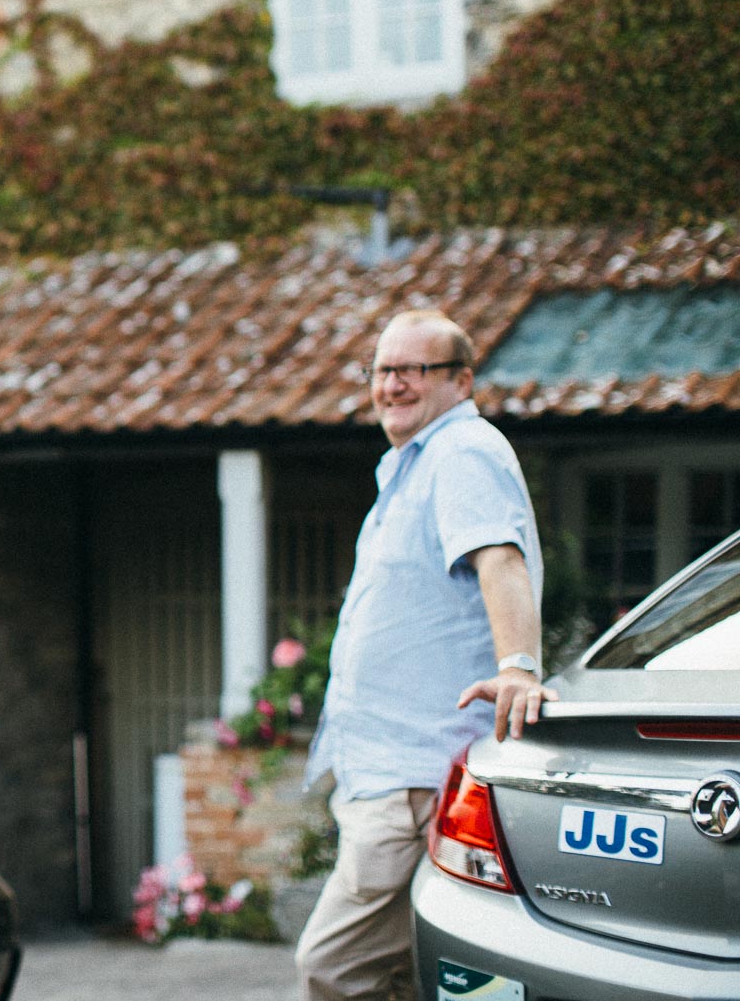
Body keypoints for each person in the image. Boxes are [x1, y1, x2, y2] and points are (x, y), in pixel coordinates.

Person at [295, 310, 554, 1001]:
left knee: (331, 967)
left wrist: (518, 668)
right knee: (414, 974)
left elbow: (500, 558)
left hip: (416, 772)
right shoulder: (415, 465)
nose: (392, 385)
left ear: (461, 381)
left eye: (413, 370)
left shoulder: (461, 450)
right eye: (382, 370)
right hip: (391, 771)